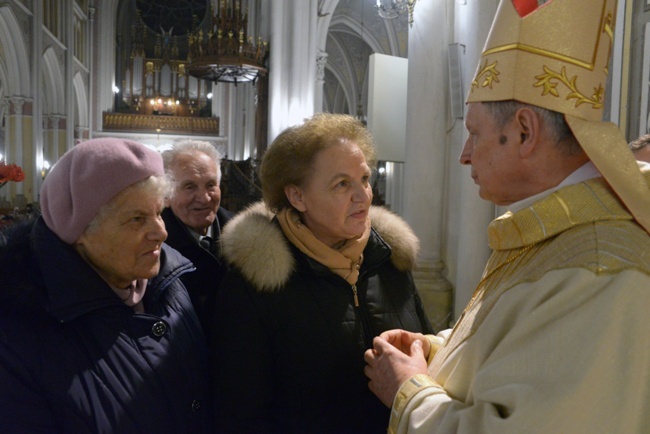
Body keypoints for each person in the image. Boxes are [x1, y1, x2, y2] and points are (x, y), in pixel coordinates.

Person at [364, 0, 650, 433]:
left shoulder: (598, 265)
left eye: (474, 133)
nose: (463, 155)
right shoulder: (558, 229)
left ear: (524, 130)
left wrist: (410, 389)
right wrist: (434, 350)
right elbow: (515, 350)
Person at [211, 113, 434, 433]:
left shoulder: (389, 259)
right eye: (342, 184)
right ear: (297, 196)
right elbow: (242, 416)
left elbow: (425, 351)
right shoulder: (254, 283)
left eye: (365, 179)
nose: (363, 197)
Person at [0, 138, 212, 432]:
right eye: (137, 219)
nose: (161, 233)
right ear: (80, 229)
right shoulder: (18, 335)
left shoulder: (169, 279)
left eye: (159, 213)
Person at [161, 140, 233, 334]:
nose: (204, 198)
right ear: (167, 195)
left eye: (211, 185)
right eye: (190, 187)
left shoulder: (247, 235)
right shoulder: (153, 245)